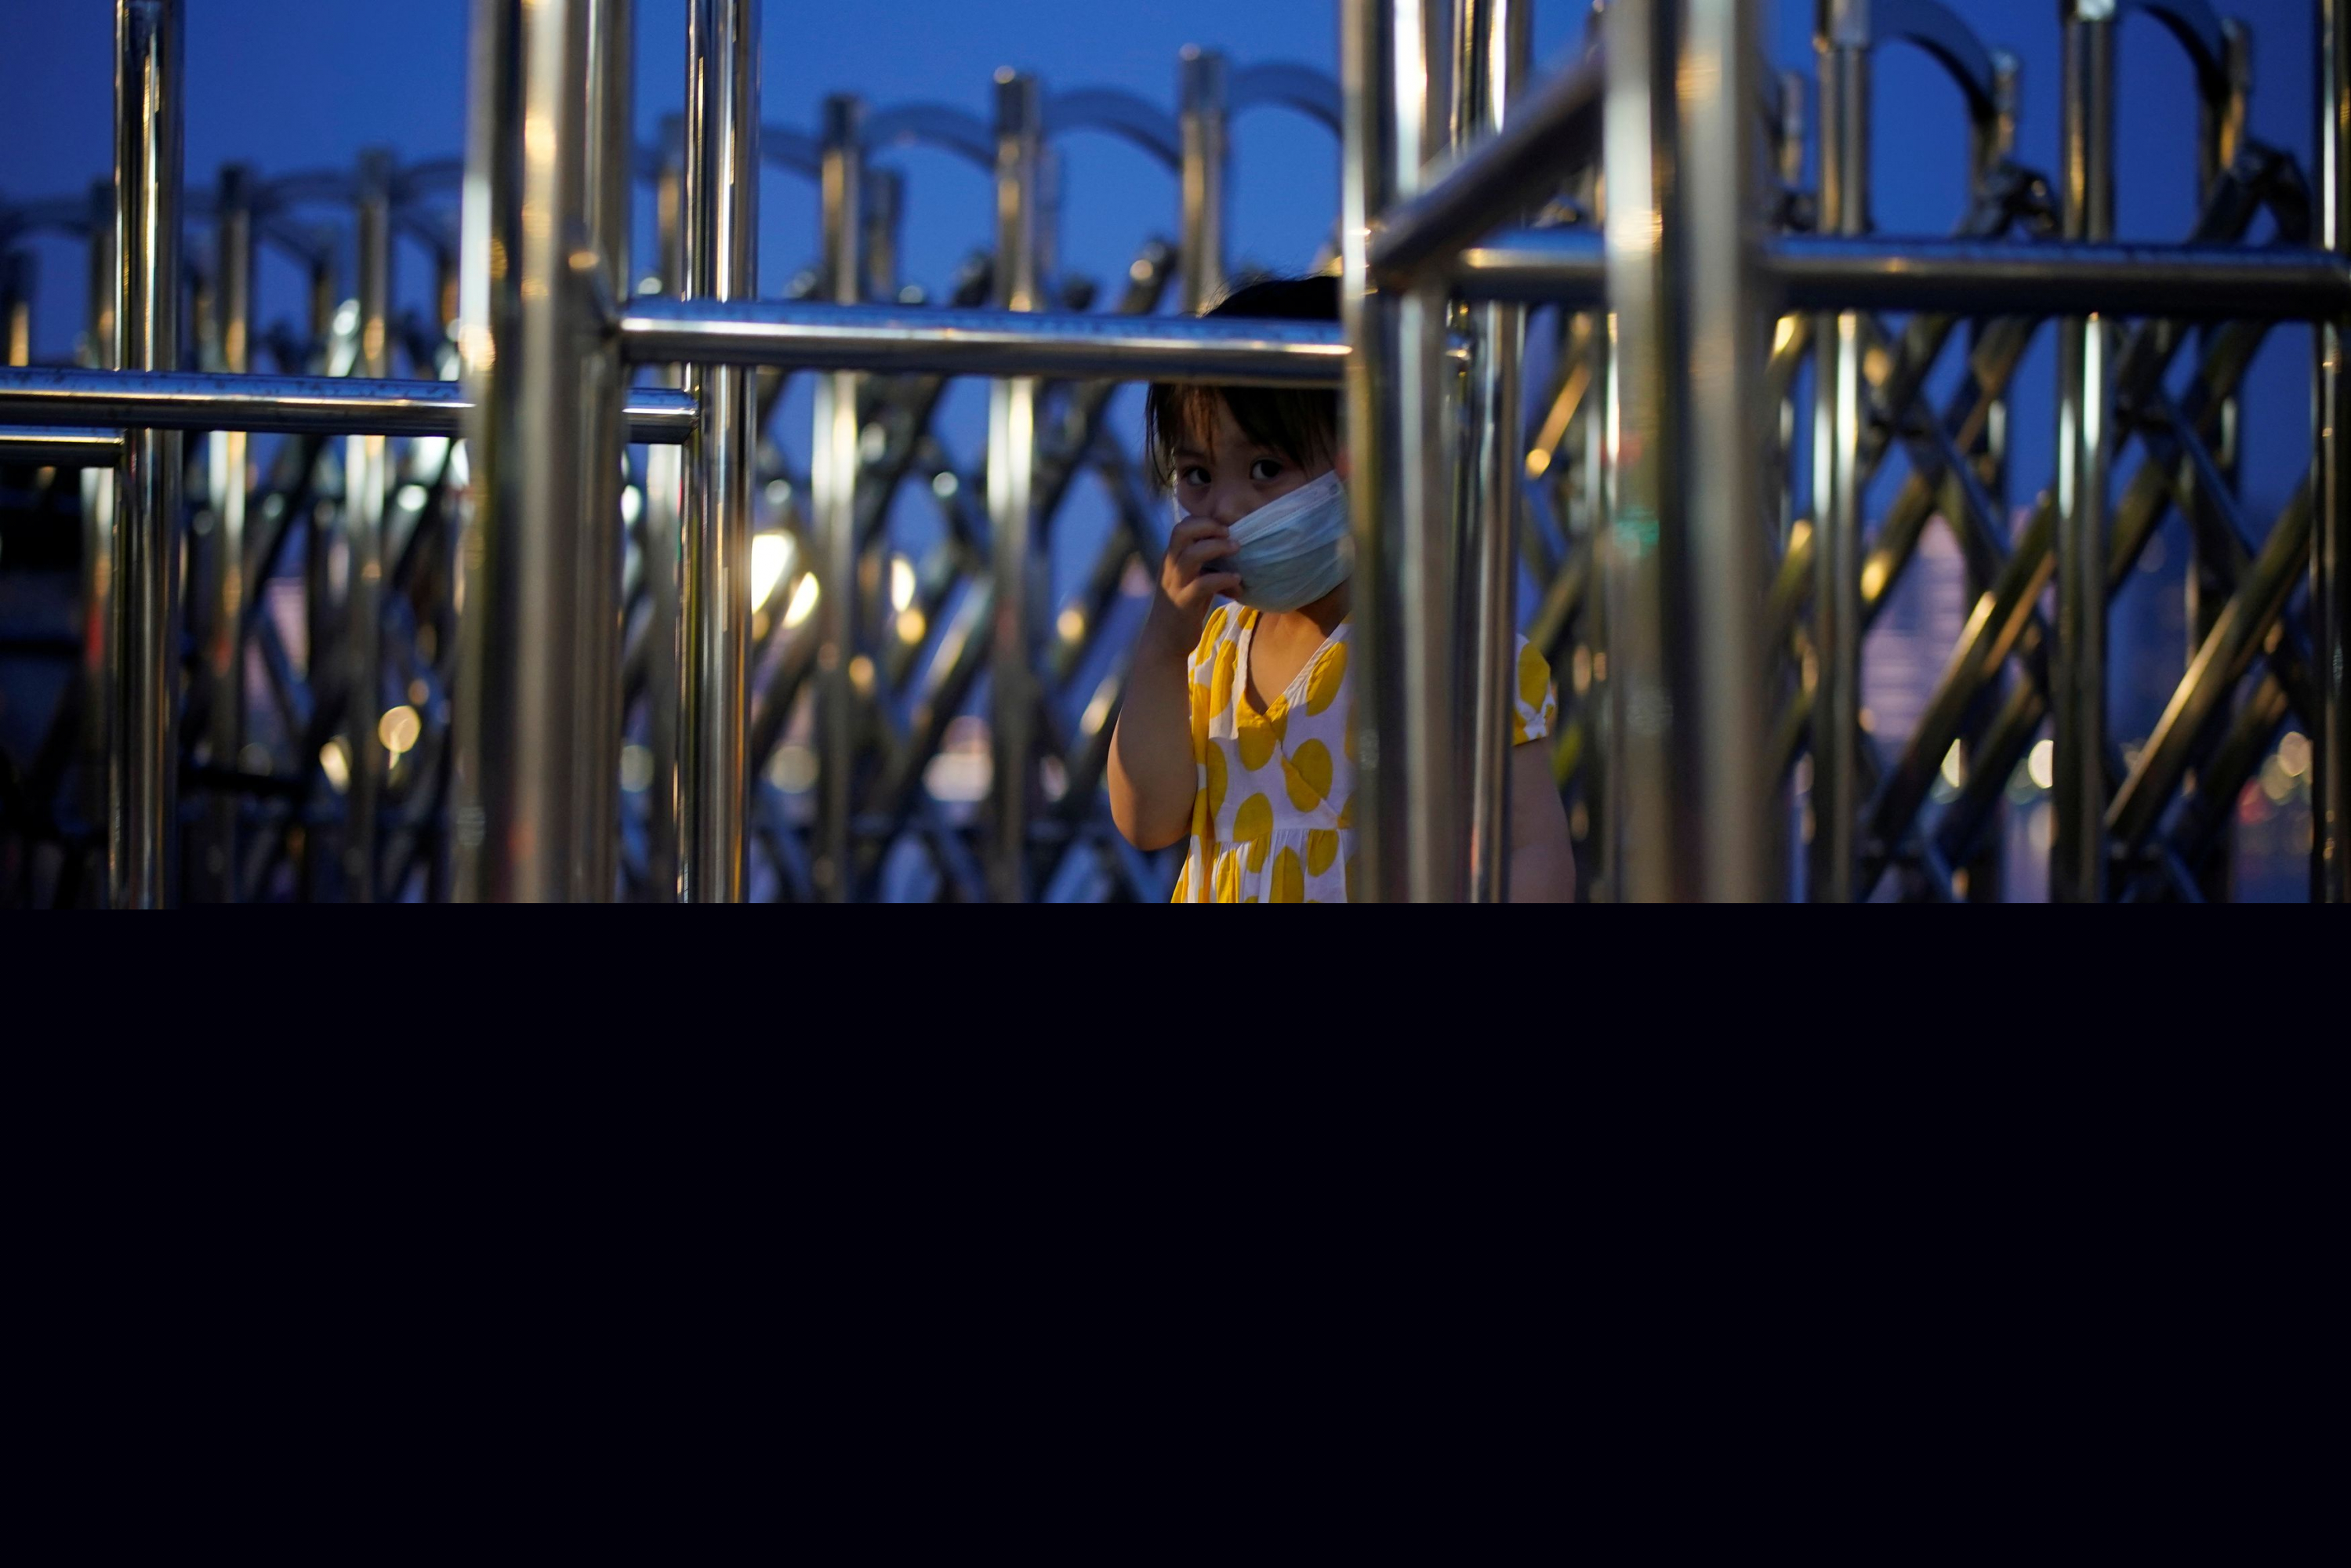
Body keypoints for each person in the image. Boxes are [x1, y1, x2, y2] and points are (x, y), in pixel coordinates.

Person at [1107, 274, 1577, 903]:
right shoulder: (1207, 653)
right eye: (1195, 473)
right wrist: (1164, 644)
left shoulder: (1448, 656)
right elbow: (1146, 817)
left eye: (1266, 469)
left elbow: (1528, 849)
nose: (1224, 507)